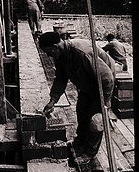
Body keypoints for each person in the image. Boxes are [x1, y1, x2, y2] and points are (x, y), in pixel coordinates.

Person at [38, 32, 115, 164]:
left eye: (48, 52)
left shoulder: (82, 53)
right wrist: (53, 100)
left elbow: (107, 78)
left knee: (95, 120)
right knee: (81, 111)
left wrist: (106, 104)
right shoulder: (60, 55)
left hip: (101, 85)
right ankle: (80, 141)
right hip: (87, 85)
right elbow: (61, 79)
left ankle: (89, 152)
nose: (48, 55)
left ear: (55, 47)